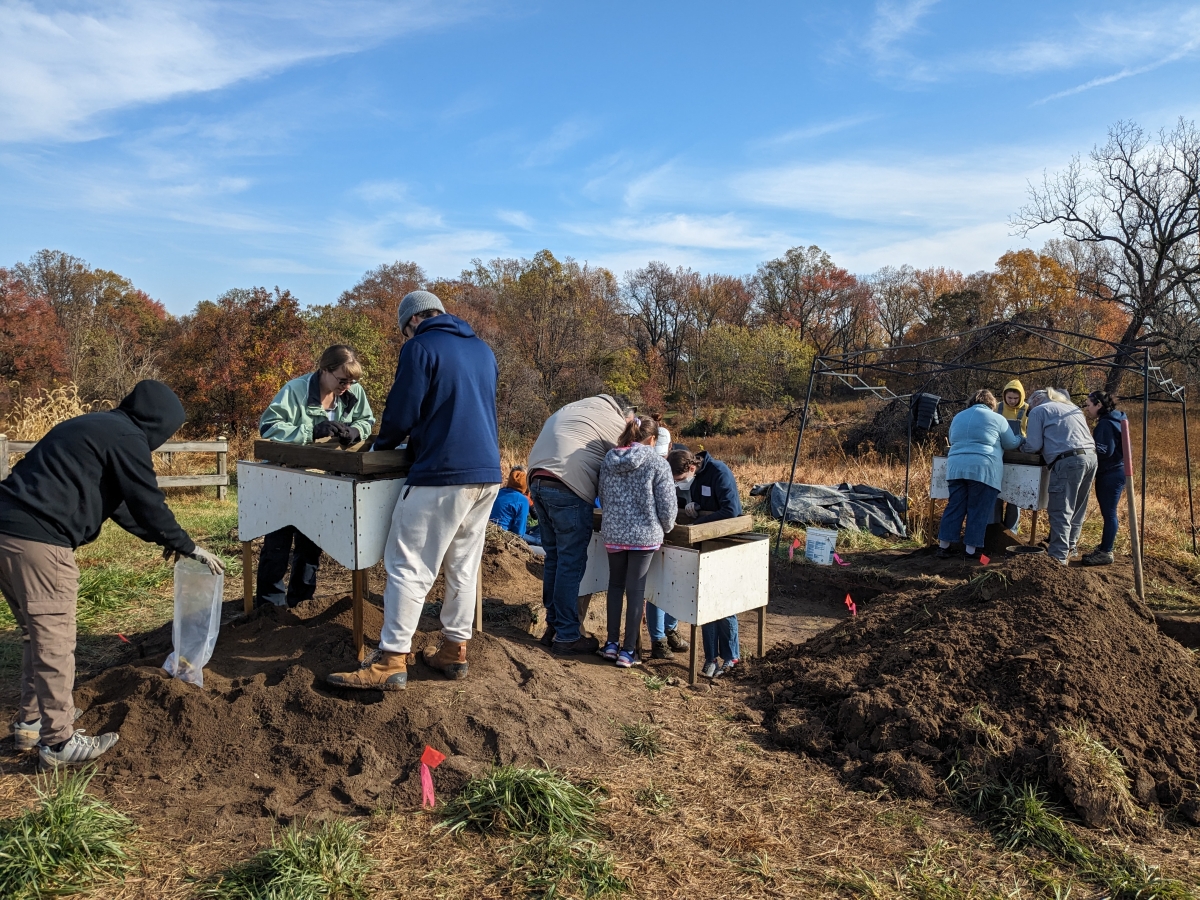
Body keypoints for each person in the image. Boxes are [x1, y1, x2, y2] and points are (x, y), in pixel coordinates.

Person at [0, 380, 224, 767]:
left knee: (36, 637)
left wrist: (164, 541)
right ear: (158, 423)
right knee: (55, 641)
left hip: (7, 529)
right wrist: (188, 545)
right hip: (41, 541)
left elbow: (120, 506)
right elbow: (147, 500)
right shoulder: (127, 437)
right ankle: (58, 743)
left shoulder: (93, 426)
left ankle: (31, 722)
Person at [327, 291, 501, 690]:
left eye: (405, 330)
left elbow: (403, 411)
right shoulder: (482, 350)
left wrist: (380, 444)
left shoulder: (420, 347)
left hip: (442, 471)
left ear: (413, 322)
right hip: (487, 471)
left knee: (408, 563)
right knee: (463, 564)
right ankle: (454, 649)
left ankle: (390, 660)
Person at [255, 345, 375, 607]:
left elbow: (368, 420)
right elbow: (269, 427)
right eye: (342, 380)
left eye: (352, 381)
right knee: (278, 543)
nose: (347, 386)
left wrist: (356, 430)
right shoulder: (296, 390)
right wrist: (311, 430)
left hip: (323, 480)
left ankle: (301, 603)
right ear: (324, 370)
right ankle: (269, 607)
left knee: (311, 546)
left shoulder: (353, 392)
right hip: (286, 477)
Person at [526, 394, 633, 656]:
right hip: (568, 485)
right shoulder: (614, 421)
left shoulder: (572, 408)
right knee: (570, 564)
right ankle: (567, 635)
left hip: (537, 481)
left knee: (554, 558)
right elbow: (629, 461)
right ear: (624, 412)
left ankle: (552, 627)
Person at [597, 416, 677, 668]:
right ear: (652, 439)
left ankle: (610, 644)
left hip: (613, 533)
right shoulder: (657, 463)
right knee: (636, 591)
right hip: (644, 535)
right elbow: (667, 506)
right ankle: (628, 651)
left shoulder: (608, 460)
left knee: (614, 586)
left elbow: (603, 495)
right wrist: (666, 527)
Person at [668, 448, 743, 678]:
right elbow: (704, 501)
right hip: (705, 543)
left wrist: (700, 521)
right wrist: (694, 506)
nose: (678, 483)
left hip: (724, 542)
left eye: (679, 479)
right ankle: (710, 658)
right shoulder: (697, 478)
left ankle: (731, 656)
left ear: (691, 468)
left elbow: (731, 509)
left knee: (724, 602)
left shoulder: (719, 472)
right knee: (706, 604)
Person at [937, 389, 1022, 560]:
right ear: (992, 404)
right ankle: (971, 551)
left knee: (955, 506)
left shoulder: (958, 417)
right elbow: (1011, 443)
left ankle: (943, 547)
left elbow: (953, 439)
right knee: (978, 509)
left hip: (956, 468)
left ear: (971, 403)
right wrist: (1021, 438)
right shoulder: (997, 418)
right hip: (983, 469)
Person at [1021, 388, 1097, 565]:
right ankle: (1070, 546)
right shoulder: (1071, 407)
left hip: (1067, 461)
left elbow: (1033, 444)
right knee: (1077, 507)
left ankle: (1058, 558)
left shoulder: (1039, 410)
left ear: (1036, 400)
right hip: (1090, 458)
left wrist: (1021, 447)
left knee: (1060, 509)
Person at [1082, 391, 1127, 566]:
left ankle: (1106, 552)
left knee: (1109, 513)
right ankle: (1104, 547)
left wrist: (1088, 451)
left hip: (1110, 472)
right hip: (1118, 470)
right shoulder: (1117, 418)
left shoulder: (1106, 424)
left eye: (1089, 405)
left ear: (1099, 405)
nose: (1087, 408)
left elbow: (1104, 450)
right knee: (1109, 513)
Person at [997, 379, 1028, 531]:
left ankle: (1011, 531)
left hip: (1019, 457)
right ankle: (994, 528)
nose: (1012, 401)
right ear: (1004, 395)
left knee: (1015, 495)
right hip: (999, 455)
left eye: (1016, 398)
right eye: (1009, 398)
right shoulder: (997, 408)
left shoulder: (1028, 409)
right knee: (996, 492)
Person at [490, 466, 532, 537]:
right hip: (504, 535)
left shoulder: (499, 492)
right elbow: (519, 532)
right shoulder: (523, 500)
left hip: (490, 529)